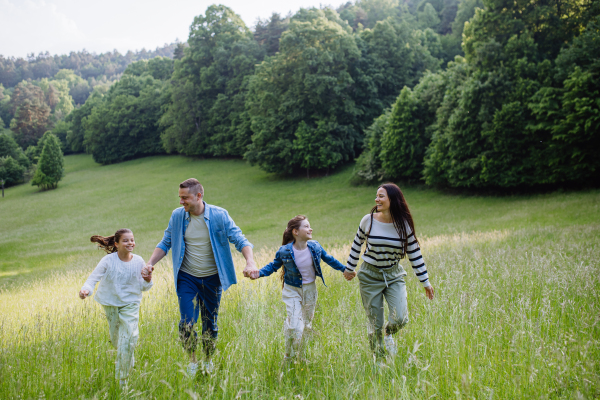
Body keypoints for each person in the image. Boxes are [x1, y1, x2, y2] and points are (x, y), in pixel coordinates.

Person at [142, 178, 258, 377]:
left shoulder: (219, 215)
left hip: (213, 278)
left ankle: (208, 361)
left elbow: (240, 239)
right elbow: (166, 242)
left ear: (198, 196)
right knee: (186, 322)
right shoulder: (177, 216)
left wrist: (250, 262)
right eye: (180, 197)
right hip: (187, 278)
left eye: (185, 198)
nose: (181, 202)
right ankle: (193, 362)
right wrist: (150, 263)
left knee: (209, 323)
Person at [344, 183, 434, 361]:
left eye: (381, 196)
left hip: (394, 275)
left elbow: (414, 254)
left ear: (393, 199)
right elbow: (357, 244)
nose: (377, 199)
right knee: (374, 323)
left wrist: (426, 282)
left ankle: (388, 334)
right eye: (376, 196)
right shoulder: (368, 220)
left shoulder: (404, 225)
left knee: (400, 318)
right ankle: (378, 360)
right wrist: (350, 268)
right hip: (370, 275)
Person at [252, 215, 352, 362]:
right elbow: (273, 266)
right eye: (306, 226)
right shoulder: (284, 251)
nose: (310, 228)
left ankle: (301, 356)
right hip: (292, 290)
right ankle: (289, 356)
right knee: (295, 326)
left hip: (310, 290)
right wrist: (258, 273)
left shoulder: (315, 247)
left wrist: (345, 269)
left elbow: (329, 259)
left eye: (309, 225)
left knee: (306, 326)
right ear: (295, 232)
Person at [79, 229, 153, 387]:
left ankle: (122, 381)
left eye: (132, 240)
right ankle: (127, 358)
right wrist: (86, 290)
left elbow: (144, 287)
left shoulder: (139, 261)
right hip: (110, 303)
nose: (130, 243)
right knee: (117, 341)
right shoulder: (108, 261)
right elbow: (94, 278)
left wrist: (147, 280)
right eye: (126, 240)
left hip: (130, 304)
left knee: (129, 339)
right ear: (116, 244)